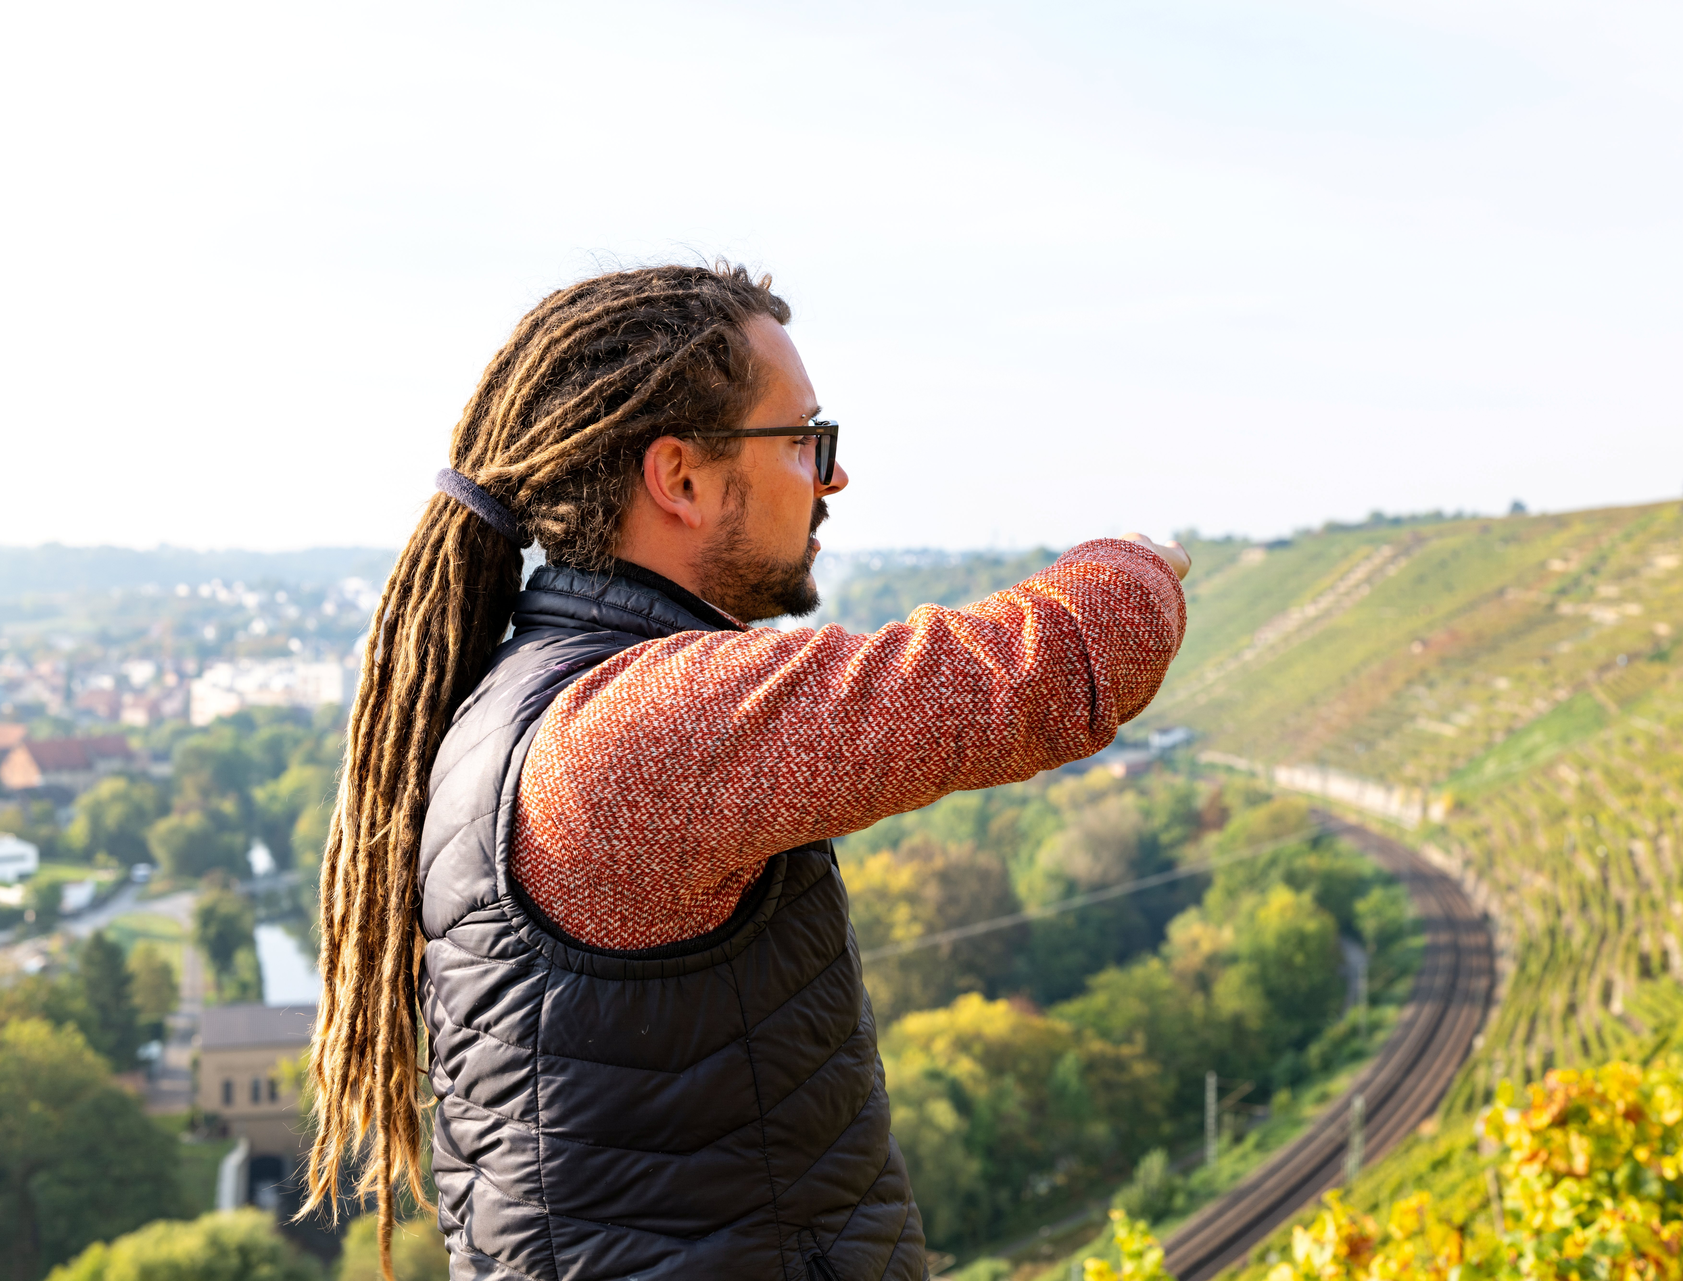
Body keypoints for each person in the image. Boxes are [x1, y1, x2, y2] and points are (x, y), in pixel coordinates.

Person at [304, 262, 1190, 1281]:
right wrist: (1144, 563)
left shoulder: (531, 700)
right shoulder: (638, 731)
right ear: (679, 477)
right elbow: (1030, 675)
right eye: (805, 439)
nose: (832, 478)